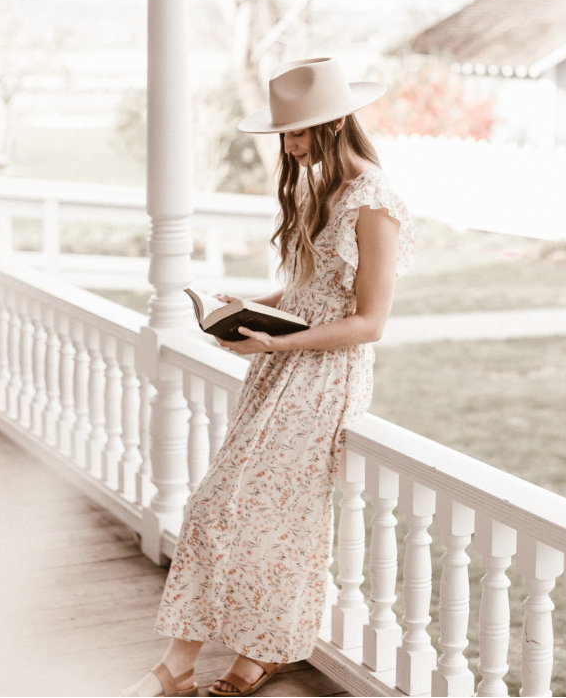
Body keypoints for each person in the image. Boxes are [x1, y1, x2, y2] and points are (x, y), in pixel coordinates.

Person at [122, 57, 415, 698]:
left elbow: (369, 321)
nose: (290, 146)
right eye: (286, 133)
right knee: (237, 513)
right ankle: (217, 658)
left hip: (324, 378)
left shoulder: (375, 201)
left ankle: (224, 660)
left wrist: (282, 345)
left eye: (300, 132)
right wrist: (256, 309)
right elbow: (315, 287)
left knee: (240, 512)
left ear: (335, 123)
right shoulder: (323, 188)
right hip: (283, 366)